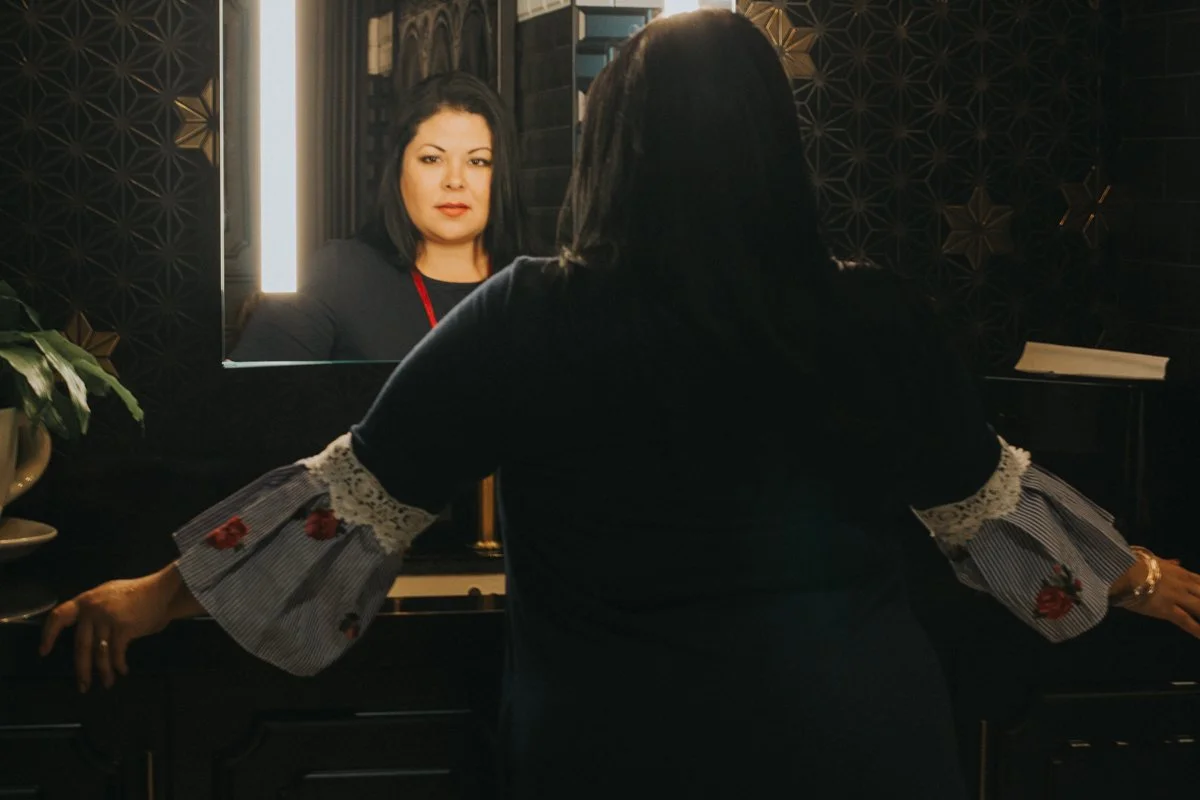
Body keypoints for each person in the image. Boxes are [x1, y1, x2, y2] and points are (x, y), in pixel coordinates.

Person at [41, 10, 1200, 799]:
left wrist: (150, 595)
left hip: (620, 751)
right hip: (856, 742)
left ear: (611, 151)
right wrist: (1144, 575)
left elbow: (344, 498)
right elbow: (985, 500)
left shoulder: (528, 314)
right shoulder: (872, 312)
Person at [229, 71, 527, 362]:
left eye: (478, 161)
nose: (454, 180)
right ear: (399, 171)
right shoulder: (339, 275)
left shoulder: (538, 287)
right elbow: (250, 391)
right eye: (432, 159)